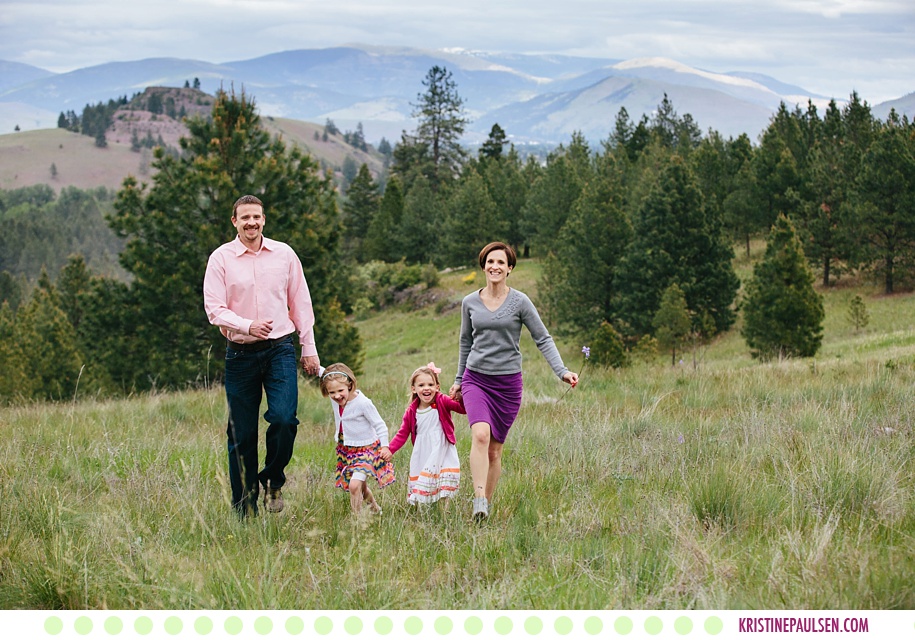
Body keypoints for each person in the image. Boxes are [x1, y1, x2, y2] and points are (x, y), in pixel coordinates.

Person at [203, 194, 321, 518]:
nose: (251, 223)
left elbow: (301, 303)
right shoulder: (221, 259)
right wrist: (247, 325)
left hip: (279, 349)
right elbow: (214, 309)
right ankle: (244, 509)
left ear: (264, 219)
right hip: (239, 355)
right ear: (234, 222)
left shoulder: (284, 254)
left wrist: (308, 348)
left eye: (256, 217)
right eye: (245, 218)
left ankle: (272, 479)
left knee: (284, 419)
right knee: (241, 435)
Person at [449, 241, 578, 521]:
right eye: (490, 262)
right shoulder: (470, 302)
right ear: (484, 266)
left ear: (510, 269)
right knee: (480, 435)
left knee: (494, 451)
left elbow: (542, 338)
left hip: (507, 385)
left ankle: (484, 508)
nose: (495, 266)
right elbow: (465, 342)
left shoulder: (520, 302)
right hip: (476, 379)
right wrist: (459, 380)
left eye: (501, 263)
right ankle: (479, 497)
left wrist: (562, 371)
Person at [379, 362, 464, 507]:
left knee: (444, 481)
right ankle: (424, 513)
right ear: (414, 389)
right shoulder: (411, 411)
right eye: (421, 385)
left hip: (443, 449)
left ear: (437, 387)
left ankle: (445, 514)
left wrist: (462, 396)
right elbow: (402, 434)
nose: (426, 388)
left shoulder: (443, 401)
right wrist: (389, 449)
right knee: (425, 483)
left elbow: (462, 409)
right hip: (423, 451)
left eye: (430, 385)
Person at [320, 363, 394, 515]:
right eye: (331, 392)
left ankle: (357, 522)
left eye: (340, 391)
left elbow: (380, 425)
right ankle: (375, 509)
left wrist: (385, 446)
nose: (336, 396)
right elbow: (323, 373)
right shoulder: (335, 398)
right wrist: (311, 361)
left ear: (350, 385)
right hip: (346, 449)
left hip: (366, 449)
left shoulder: (363, 403)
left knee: (354, 486)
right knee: (362, 486)